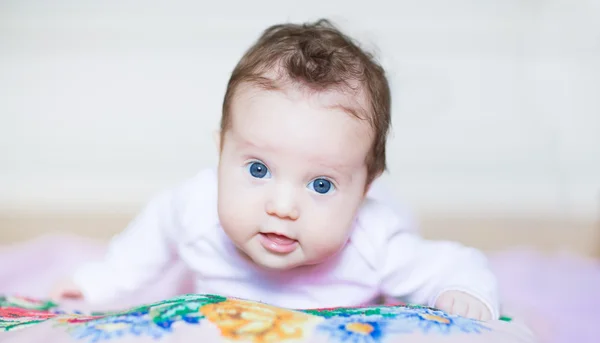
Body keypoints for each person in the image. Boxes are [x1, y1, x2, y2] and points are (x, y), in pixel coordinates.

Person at [51, 19, 499, 321]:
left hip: (386, 223)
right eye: (259, 170)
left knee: (400, 221)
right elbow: (146, 243)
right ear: (222, 150)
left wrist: (462, 293)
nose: (282, 207)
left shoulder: (373, 243)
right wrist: (98, 283)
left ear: (364, 191)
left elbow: (455, 265)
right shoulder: (195, 208)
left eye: (321, 184)